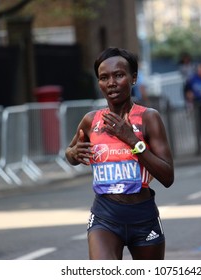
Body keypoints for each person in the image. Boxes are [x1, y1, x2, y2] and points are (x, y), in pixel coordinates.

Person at [64, 47, 174, 260]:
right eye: (104, 77)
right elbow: (69, 153)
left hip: (144, 217)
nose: (111, 82)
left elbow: (168, 177)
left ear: (133, 78)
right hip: (105, 217)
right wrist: (73, 153)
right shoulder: (91, 120)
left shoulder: (149, 118)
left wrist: (132, 140)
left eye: (119, 75)